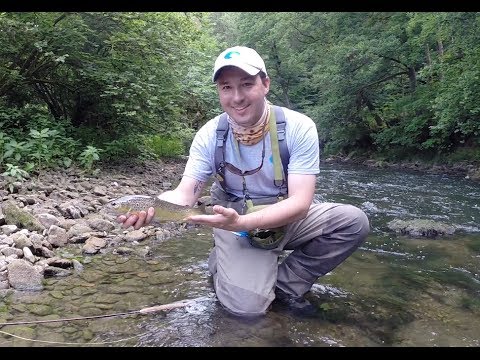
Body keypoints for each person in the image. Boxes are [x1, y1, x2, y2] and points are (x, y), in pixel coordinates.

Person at [117, 46, 370, 317]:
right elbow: (185, 195)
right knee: (247, 311)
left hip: (285, 217)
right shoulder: (209, 135)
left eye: (246, 84)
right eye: (226, 87)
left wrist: (245, 222)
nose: (236, 97)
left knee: (353, 221)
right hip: (233, 222)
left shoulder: (298, 127)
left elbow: (301, 203)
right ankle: (223, 262)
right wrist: (152, 207)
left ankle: (286, 285)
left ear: (265, 84)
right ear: (219, 91)